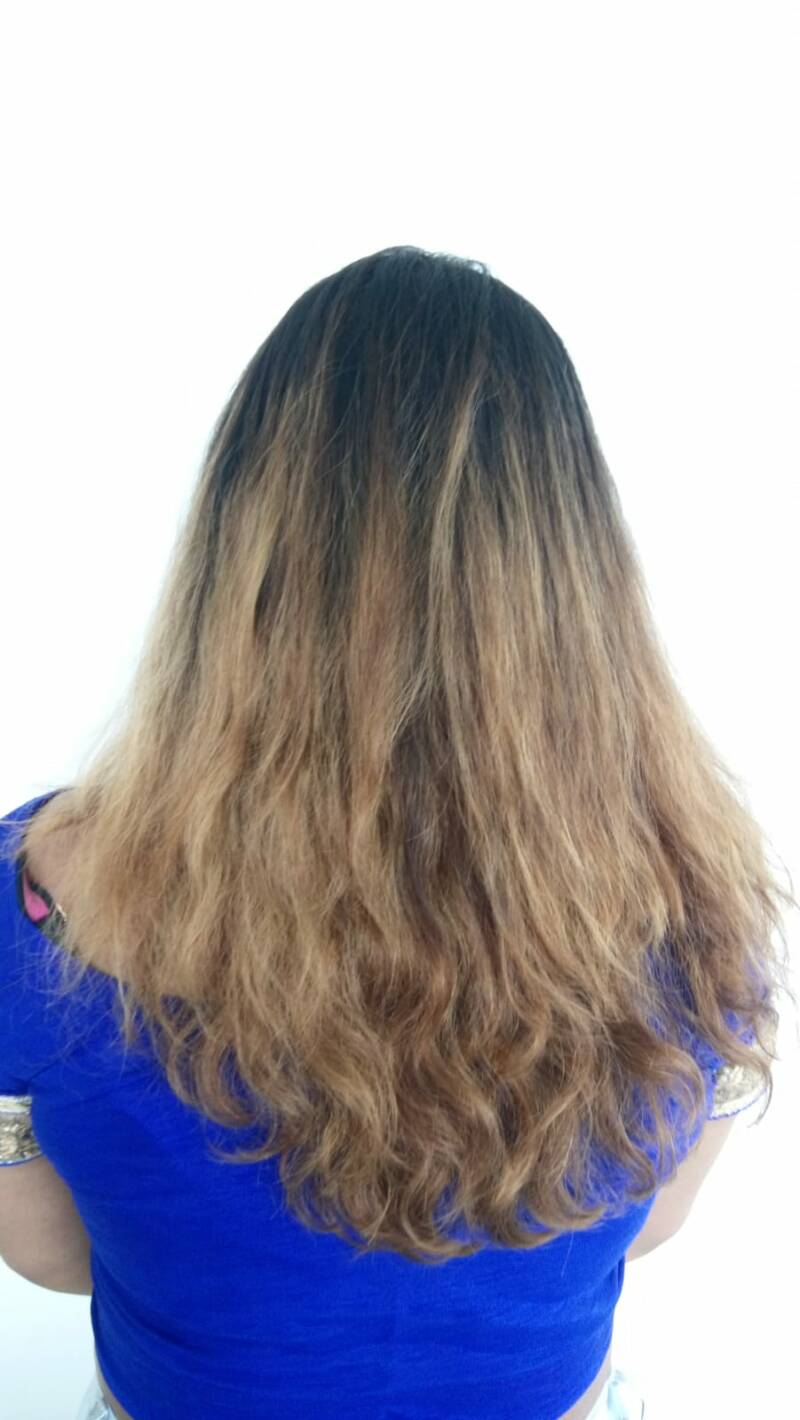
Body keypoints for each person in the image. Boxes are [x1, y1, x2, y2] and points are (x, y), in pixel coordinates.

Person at [0, 246, 792, 1420]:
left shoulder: (38, 903)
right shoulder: (695, 890)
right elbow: (647, 1224)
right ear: (571, 565)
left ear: (240, 548)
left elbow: (52, 1257)